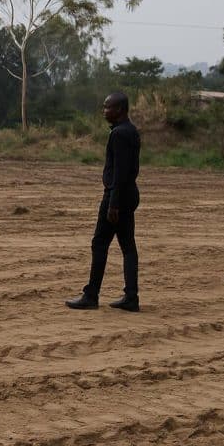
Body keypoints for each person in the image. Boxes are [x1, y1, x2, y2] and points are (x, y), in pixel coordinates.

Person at [66, 92, 141, 312]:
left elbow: (119, 172)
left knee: (99, 243)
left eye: (108, 107)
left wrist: (113, 204)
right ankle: (131, 297)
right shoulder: (132, 131)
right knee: (128, 246)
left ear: (119, 110)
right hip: (129, 194)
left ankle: (91, 295)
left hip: (117, 196)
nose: (104, 111)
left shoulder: (118, 134)